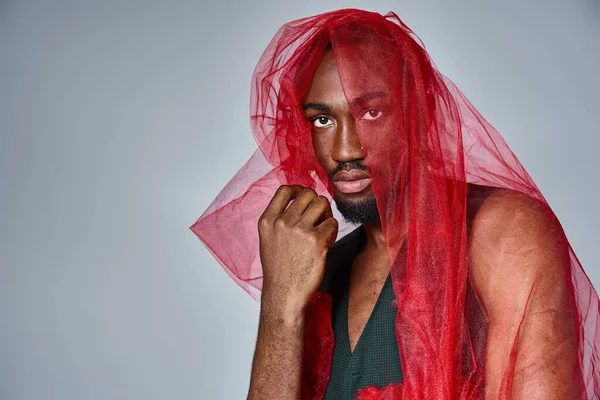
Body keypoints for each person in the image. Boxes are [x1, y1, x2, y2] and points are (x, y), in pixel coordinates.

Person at [191, 9, 599, 399]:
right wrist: (279, 305)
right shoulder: (322, 267)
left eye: (371, 112)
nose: (345, 150)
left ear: (422, 111)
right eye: (322, 120)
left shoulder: (503, 231)